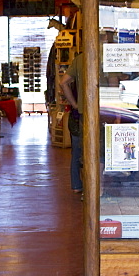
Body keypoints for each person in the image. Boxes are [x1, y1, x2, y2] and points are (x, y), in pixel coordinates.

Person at [59, 54, 84, 195]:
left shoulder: (79, 60)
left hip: (78, 115)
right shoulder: (107, 57)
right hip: (101, 112)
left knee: (77, 152)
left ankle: (77, 184)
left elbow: (63, 82)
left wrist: (75, 104)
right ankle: (94, 189)